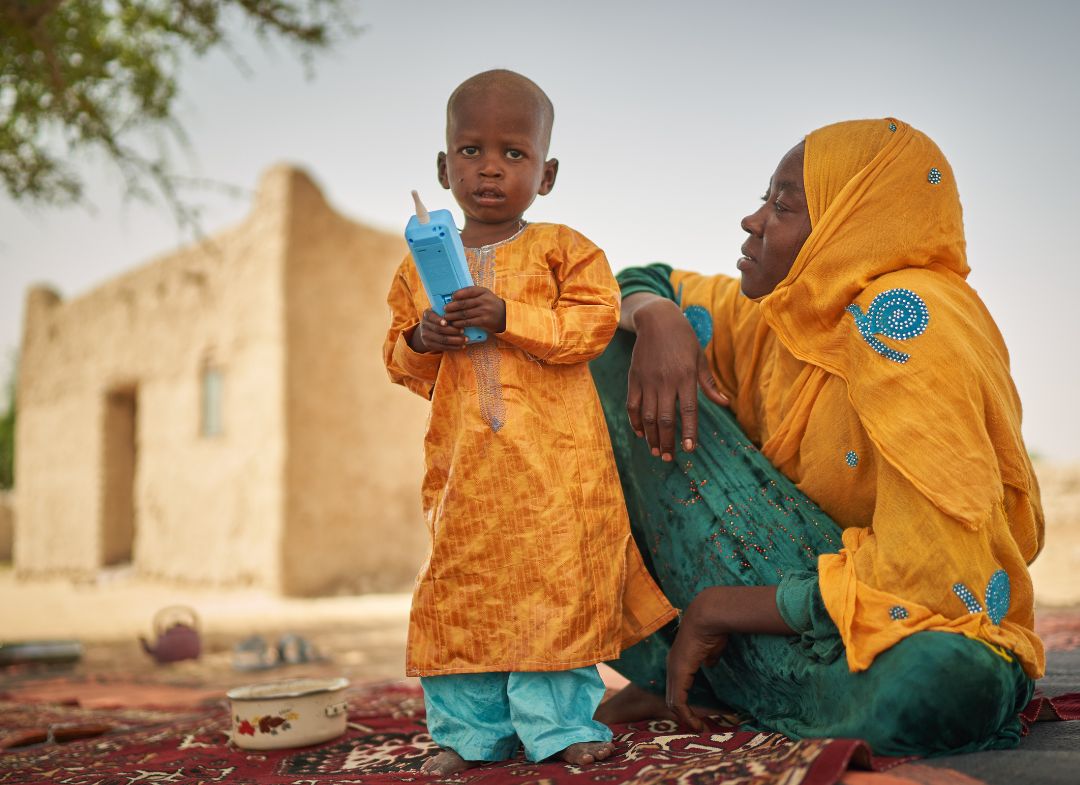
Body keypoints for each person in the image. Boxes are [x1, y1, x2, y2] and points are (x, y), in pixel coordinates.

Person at [590, 118, 1044, 757]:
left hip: (891, 617)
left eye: (782, 207)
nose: (752, 221)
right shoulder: (786, 314)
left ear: (847, 222)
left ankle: (732, 682)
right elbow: (640, 280)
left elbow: (933, 576)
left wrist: (722, 607)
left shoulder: (906, 323)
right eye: (762, 199)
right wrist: (660, 318)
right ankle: (698, 673)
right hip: (786, 597)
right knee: (602, 343)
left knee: (939, 683)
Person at [382, 69, 676, 775]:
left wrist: (508, 316)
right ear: (443, 165)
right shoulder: (415, 265)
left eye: (513, 154)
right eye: (472, 150)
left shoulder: (564, 248)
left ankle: (560, 726)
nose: (490, 167)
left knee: (553, 595)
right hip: (467, 479)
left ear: (545, 174)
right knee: (464, 598)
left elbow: (592, 326)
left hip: (555, 474)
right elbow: (401, 360)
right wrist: (426, 338)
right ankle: (467, 734)